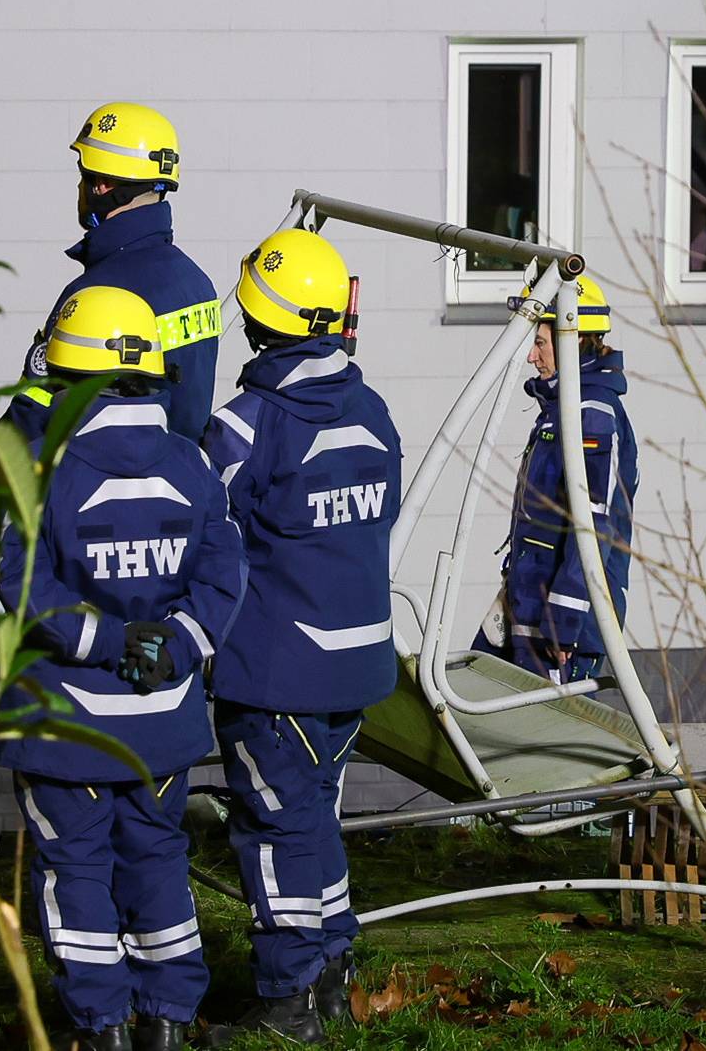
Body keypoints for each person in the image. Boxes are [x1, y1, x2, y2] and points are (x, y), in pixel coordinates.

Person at [0, 285, 245, 1051]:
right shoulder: (193, 463)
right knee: (158, 866)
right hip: (163, 728)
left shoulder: (40, 468)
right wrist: (173, 645)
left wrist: (110, 643)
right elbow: (224, 570)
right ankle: (166, 1021)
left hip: (67, 729)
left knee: (75, 874)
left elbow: (20, 589)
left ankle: (99, 1026)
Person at [200, 228, 401, 1045]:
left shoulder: (243, 427)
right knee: (314, 818)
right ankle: (329, 968)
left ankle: (286, 1001)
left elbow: (194, 538)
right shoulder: (372, 409)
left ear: (256, 322)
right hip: (356, 665)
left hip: (274, 673)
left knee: (276, 827)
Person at [10, 102, 223, 443]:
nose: (80, 188)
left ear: (103, 185)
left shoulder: (94, 294)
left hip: (92, 489)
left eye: (84, 175)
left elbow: (29, 421)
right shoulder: (198, 283)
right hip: (182, 484)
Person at [472, 276, 640, 684]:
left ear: (572, 340)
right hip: (531, 609)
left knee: (555, 738)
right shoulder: (562, 408)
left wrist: (563, 620)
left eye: (541, 343)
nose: (532, 356)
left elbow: (593, 526)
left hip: (562, 630)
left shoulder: (592, 415)